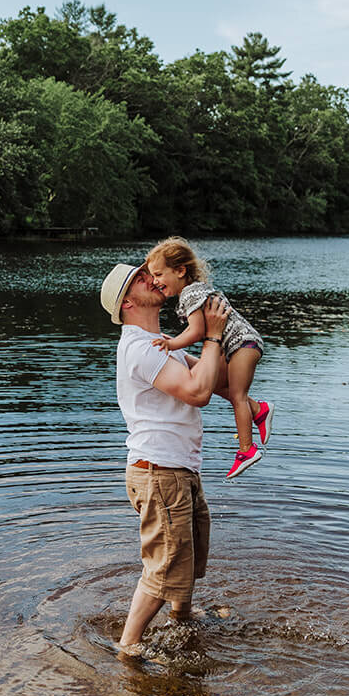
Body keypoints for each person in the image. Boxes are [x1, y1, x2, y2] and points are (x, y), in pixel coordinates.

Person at [100, 261, 231, 656]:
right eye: (140, 279)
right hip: (159, 471)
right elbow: (197, 393)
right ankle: (130, 645)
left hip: (176, 468)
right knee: (165, 563)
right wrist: (210, 337)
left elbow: (218, 382)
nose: (151, 278)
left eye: (147, 273)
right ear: (127, 303)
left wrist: (228, 338)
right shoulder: (140, 348)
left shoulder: (162, 344)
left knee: (186, 553)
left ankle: (183, 617)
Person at [143, 237, 273, 480]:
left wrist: (171, 343)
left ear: (180, 270)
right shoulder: (194, 291)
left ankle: (247, 450)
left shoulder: (190, 294)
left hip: (242, 344)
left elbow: (197, 332)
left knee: (237, 396)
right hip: (240, 344)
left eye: (159, 274)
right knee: (216, 384)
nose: (156, 282)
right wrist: (175, 344)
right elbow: (200, 330)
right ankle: (259, 410)